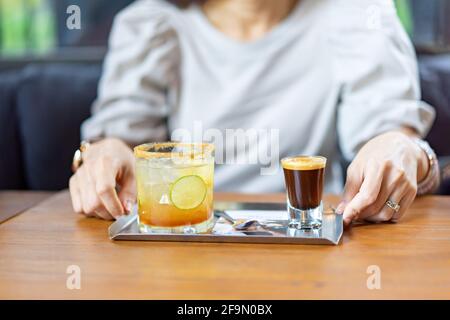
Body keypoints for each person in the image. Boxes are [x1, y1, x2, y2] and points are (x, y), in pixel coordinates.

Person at [69, 0, 440, 226]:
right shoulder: (151, 23)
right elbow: (123, 141)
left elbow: (392, 136)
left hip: (315, 245)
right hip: (181, 243)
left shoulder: (358, 14)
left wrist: (404, 149)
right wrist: (104, 153)